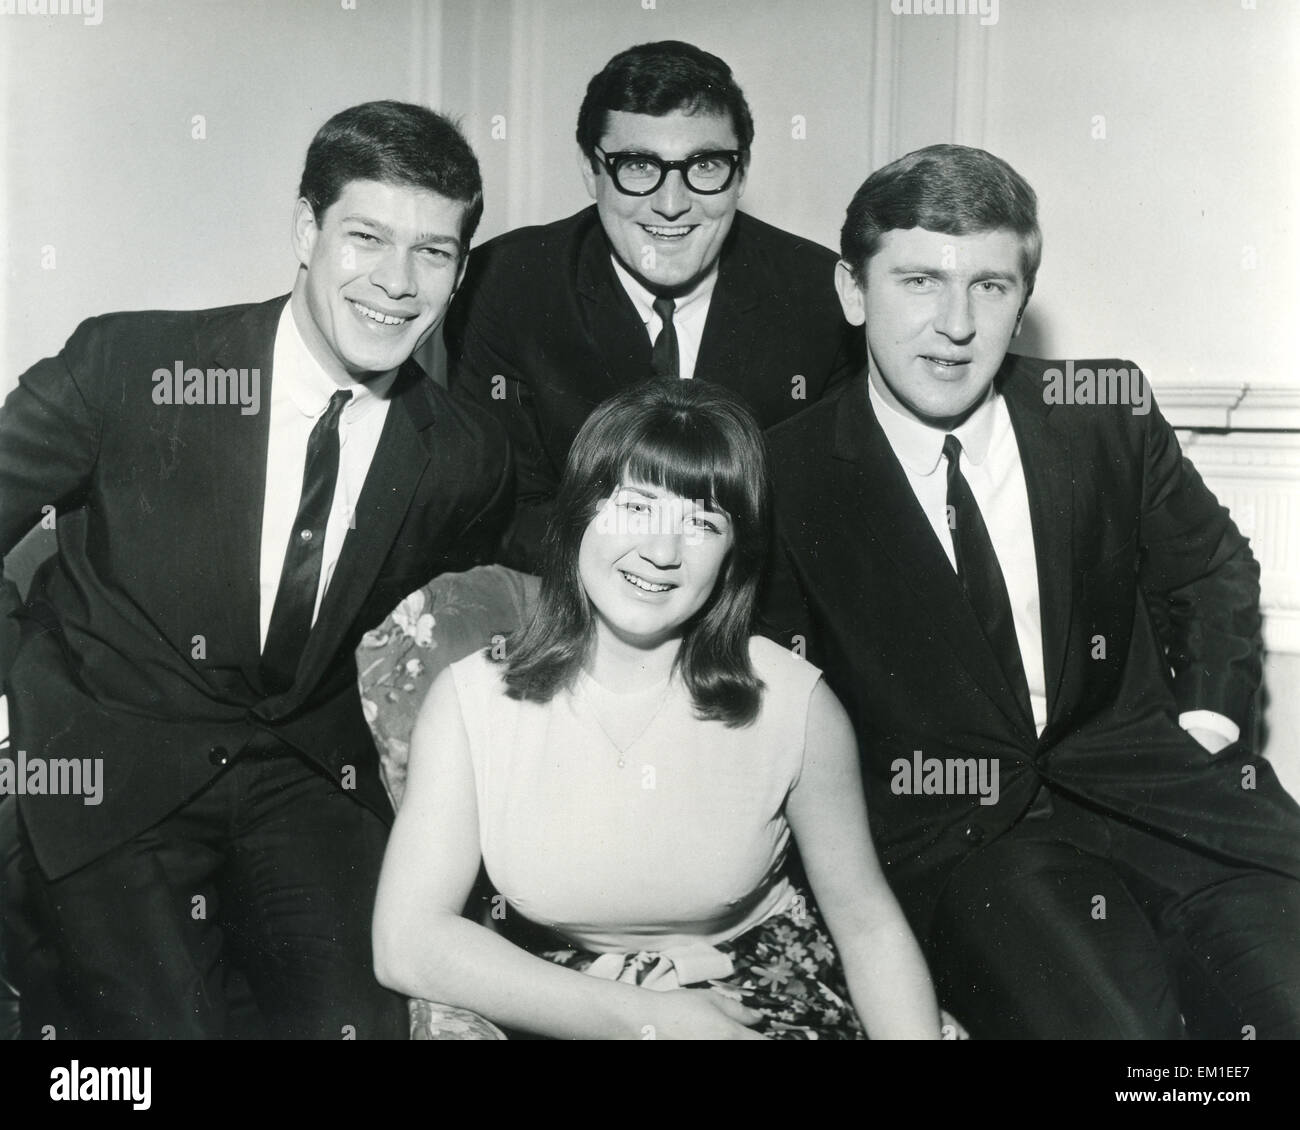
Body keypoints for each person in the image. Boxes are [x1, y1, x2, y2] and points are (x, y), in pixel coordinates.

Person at [761, 143, 1300, 1039]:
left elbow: (1211, 569)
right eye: (919, 281)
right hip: (978, 849)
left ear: (1022, 301)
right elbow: (776, 699)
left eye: (991, 286)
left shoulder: (1101, 411)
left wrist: (1204, 719)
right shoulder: (787, 472)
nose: (956, 324)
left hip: (1175, 807)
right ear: (854, 292)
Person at [0, 101, 512, 1039]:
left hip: (306, 778)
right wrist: (15, 691)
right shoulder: (131, 364)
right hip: (113, 765)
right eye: (367, 237)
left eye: (433, 253)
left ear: (460, 271)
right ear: (305, 230)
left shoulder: (466, 453)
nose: (397, 285)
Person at [373, 379, 941, 1040]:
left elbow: (868, 925)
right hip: (566, 998)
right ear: (580, 511)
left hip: (761, 999)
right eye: (636, 508)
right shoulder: (473, 702)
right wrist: (652, 1018)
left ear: (732, 557)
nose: (663, 553)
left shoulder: (796, 704)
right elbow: (407, 940)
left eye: (702, 524)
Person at [445, 40, 863, 573]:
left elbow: (822, 525)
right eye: (638, 166)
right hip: (571, 611)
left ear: (741, 172)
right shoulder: (506, 284)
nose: (671, 205)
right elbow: (504, 512)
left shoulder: (818, 295)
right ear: (590, 169)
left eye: (705, 165)